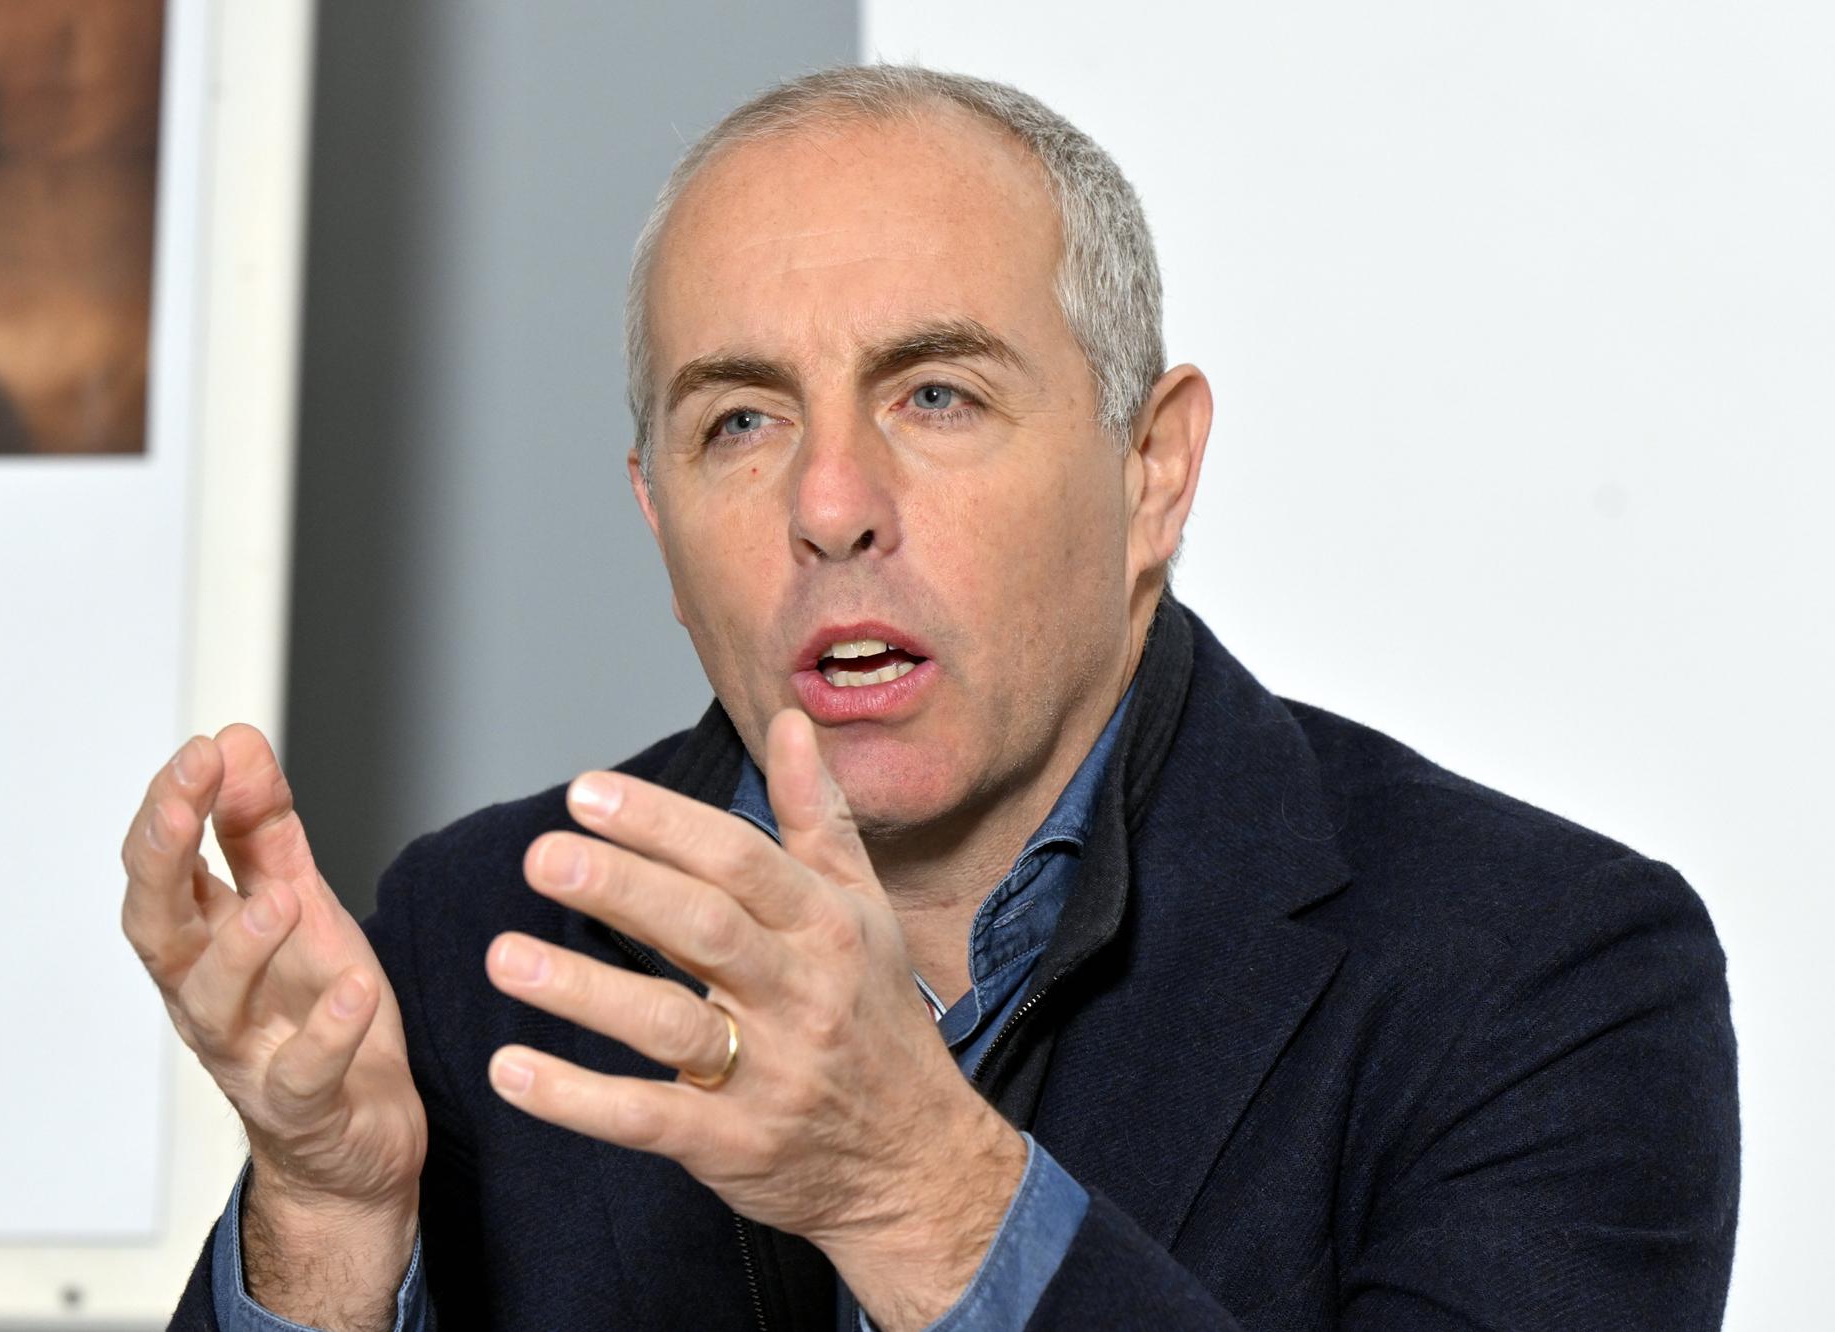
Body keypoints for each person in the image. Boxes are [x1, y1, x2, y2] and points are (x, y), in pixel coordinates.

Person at [123, 66, 1738, 1331]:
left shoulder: (1547, 970)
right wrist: (329, 1228)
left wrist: (922, 1195)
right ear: (655, 516)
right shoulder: (480, 936)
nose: (832, 502)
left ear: (1153, 467)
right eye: (741, 423)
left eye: (938, 394)